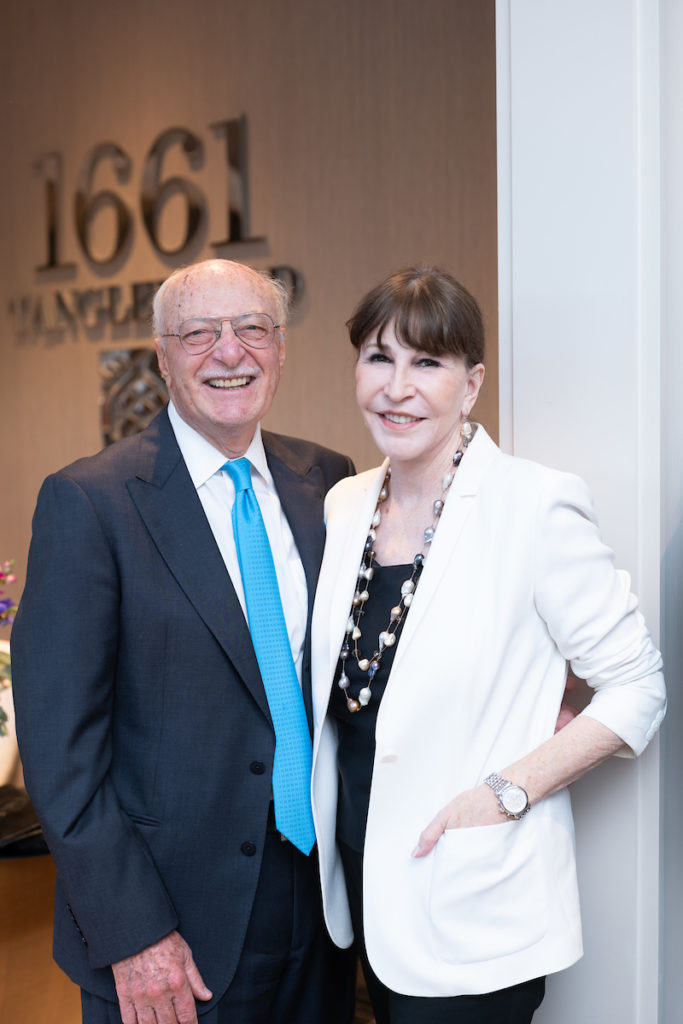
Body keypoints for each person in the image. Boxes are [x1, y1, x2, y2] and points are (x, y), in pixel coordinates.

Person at [310, 266, 666, 1024]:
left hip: (470, 894)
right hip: (357, 886)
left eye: (426, 363)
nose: (396, 387)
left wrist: (506, 793)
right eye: (378, 358)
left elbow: (638, 684)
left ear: (470, 386)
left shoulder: (532, 505)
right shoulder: (343, 505)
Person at [11, 259, 356, 1024]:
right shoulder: (89, 503)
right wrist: (134, 932)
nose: (228, 353)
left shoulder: (327, 482)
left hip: (318, 902)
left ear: (281, 347)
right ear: (162, 357)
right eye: (198, 334)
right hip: (170, 922)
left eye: (251, 329)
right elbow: (60, 755)